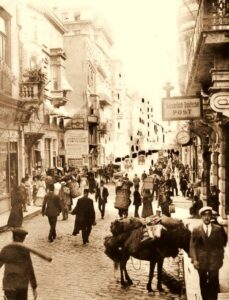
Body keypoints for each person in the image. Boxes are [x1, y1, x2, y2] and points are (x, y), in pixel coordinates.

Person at [190, 206, 226, 300]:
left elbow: (221, 245)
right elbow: (193, 246)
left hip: (214, 262)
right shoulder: (196, 230)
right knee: (203, 283)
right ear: (201, 217)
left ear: (211, 217)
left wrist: (220, 259)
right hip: (201, 261)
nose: (206, 218)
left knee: (213, 283)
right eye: (204, 215)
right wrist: (194, 260)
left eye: (208, 215)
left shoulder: (218, 229)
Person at [0, 228, 37, 300]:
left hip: (9, 285)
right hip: (22, 285)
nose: (23, 240)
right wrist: (34, 286)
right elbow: (29, 268)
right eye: (23, 238)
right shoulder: (24, 250)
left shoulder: (6, 249)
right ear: (17, 237)